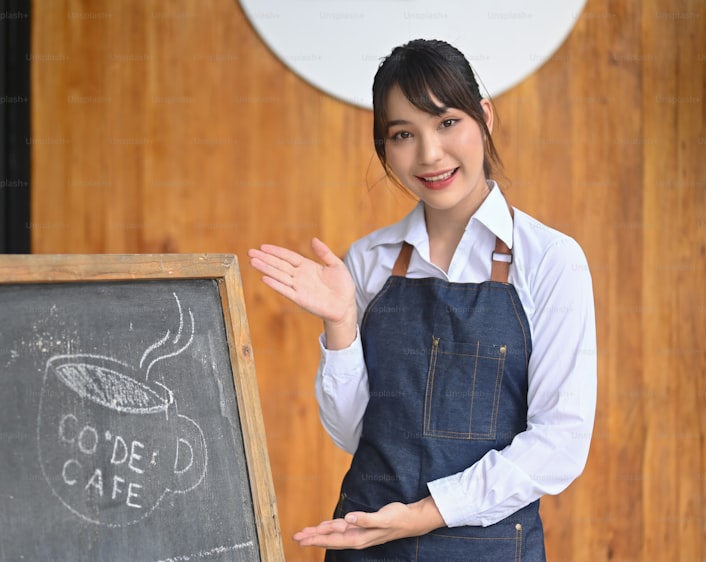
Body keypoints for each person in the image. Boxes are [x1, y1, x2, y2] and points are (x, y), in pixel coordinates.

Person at [248, 39, 597, 560]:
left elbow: (559, 443)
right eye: (404, 134)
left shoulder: (550, 260)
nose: (430, 154)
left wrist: (423, 515)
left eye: (448, 122)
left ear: (485, 117)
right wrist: (341, 322)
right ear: (384, 148)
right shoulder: (367, 262)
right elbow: (354, 435)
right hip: (367, 545)